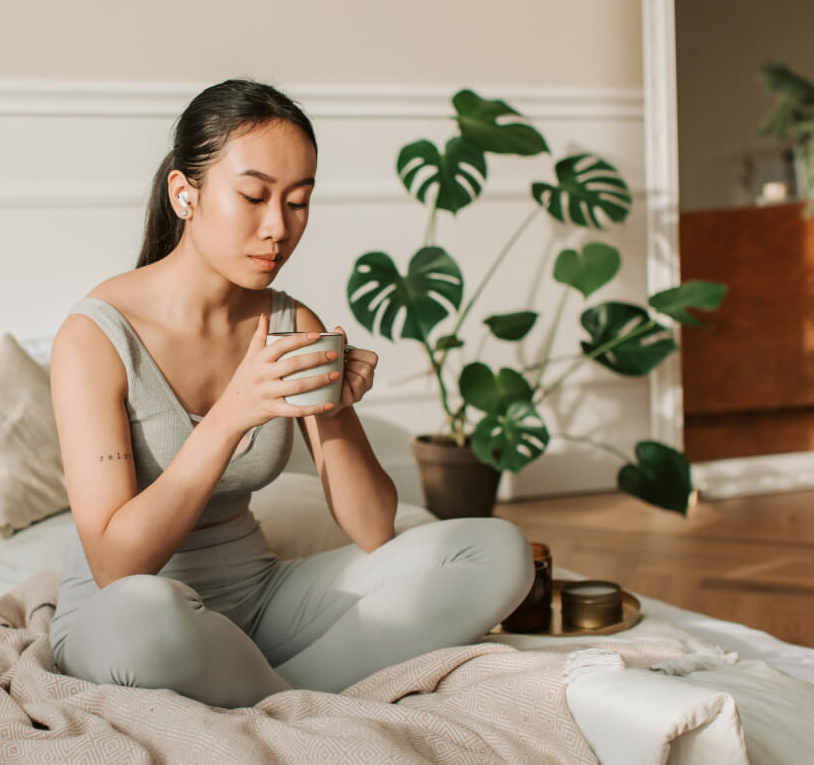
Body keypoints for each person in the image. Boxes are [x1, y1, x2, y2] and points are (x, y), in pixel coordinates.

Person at [47, 78, 533, 708]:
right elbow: (116, 567)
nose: (277, 227)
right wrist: (231, 415)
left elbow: (374, 530)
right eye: (253, 196)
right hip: (130, 617)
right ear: (184, 194)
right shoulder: (93, 337)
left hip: (260, 603)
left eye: (298, 202)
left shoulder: (289, 322)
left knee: (496, 551)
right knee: (147, 615)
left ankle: (280, 700)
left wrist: (335, 411)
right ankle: (308, 699)